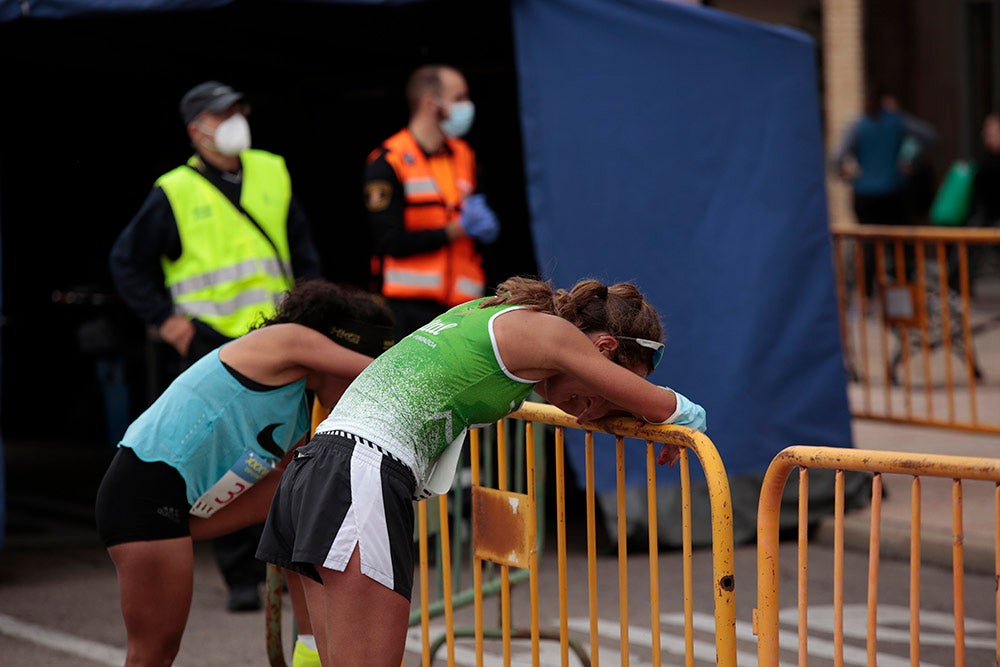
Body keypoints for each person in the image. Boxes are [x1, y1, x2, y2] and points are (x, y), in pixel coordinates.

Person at [257, 276, 707, 666]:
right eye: (618, 386)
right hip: (359, 473)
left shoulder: (498, 312)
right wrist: (688, 417)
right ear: (604, 347)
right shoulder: (553, 334)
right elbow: (663, 407)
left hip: (321, 467)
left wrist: (613, 407)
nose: (596, 412)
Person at [94, 279, 395, 667]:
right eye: (354, 382)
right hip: (143, 494)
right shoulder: (287, 340)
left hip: (176, 504)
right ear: (337, 354)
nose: (360, 393)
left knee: (298, 492)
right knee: (153, 654)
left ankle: (311, 651)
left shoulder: (300, 407)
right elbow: (386, 373)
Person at [108, 79, 323, 612]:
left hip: (274, 337)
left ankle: (278, 556)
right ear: (196, 129)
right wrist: (165, 320)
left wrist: (314, 315)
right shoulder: (174, 189)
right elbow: (126, 261)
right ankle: (239, 576)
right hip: (212, 346)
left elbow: (302, 250)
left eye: (238, 109)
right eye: (222, 113)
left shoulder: (271, 169)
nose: (235, 119)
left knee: (277, 451)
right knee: (223, 462)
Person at [364, 64, 501, 341]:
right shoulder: (389, 160)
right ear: (430, 103)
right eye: (459, 98)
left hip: (464, 308)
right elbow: (388, 242)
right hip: (406, 310)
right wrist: (454, 231)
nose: (467, 106)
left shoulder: (466, 156)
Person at [832, 84, 937, 297]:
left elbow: (836, 159)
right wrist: (910, 160)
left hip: (865, 194)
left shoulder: (857, 126)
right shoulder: (897, 122)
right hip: (893, 193)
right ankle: (903, 295)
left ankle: (867, 296)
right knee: (899, 244)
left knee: (868, 245)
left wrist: (849, 176)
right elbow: (929, 135)